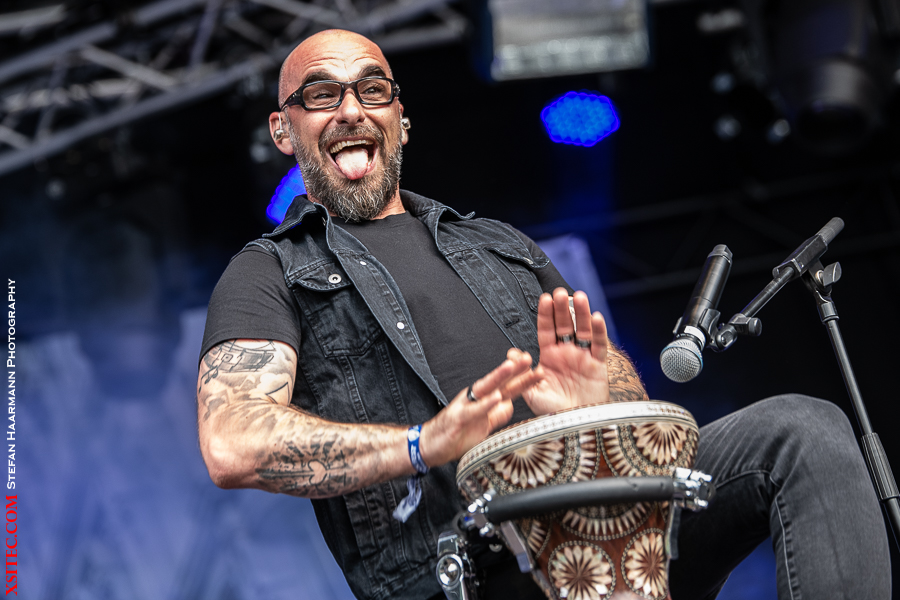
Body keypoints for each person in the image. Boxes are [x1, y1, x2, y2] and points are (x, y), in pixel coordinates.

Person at [197, 29, 891, 600]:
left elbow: (624, 397)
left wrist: (598, 405)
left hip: (616, 509)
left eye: (372, 90)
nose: (351, 110)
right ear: (283, 130)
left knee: (803, 429)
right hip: (480, 563)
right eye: (322, 94)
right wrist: (422, 444)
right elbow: (232, 442)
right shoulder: (268, 271)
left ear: (401, 121)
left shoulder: (497, 244)